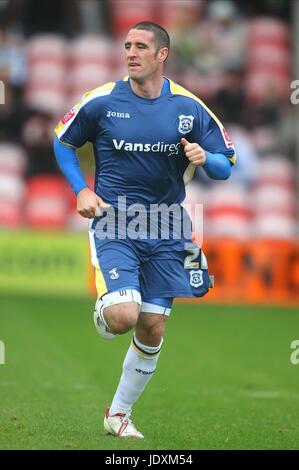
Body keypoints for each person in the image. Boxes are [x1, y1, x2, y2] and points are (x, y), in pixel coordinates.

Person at [53, 21, 236, 439]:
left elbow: (226, 166)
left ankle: (118, 414)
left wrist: (205, 156)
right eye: (127, 46)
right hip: (114, 220)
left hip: (169, 226)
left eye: (141, 46)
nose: (131, 53)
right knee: (124, 317)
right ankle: (108, 313)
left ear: (162, 55)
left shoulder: (190, 108)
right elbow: (62, 141)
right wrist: (81, 188)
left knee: (152, 326)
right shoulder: (101, 102)